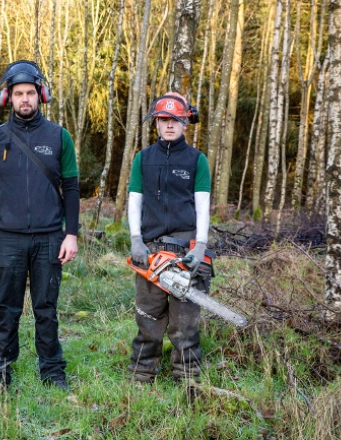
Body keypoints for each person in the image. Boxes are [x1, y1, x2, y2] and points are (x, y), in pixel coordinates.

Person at [0, 60, 80, 394]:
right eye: (18, 93)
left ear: (41, 95)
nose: (25, 99)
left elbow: (72, 188)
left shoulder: (59, 137)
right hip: (6, 238)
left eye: (30, 93)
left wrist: (71, 234)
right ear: (9, 97)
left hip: (50, 237)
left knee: (46, 308)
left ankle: (52, 370)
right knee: (6, 308)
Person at [127, 92, 211, 384]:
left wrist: (200, 246)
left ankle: (187, 377)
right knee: (147, 318)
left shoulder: (196, 160)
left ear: (186, 122)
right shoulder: (143, 159)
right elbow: (134, 201)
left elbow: (202, 206)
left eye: (176, 119)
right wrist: (136, 239)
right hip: (151, 250)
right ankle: (141, 374)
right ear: (157, 123)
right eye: (164, 119)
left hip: (185, 248)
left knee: (184, 323)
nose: (170, 124)